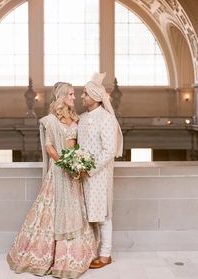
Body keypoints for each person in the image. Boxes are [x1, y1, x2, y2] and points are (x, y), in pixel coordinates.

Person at [7, 82, 97, 278]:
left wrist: (79, 163)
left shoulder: (76, 119)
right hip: (59, 171)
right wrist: (65, 163)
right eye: (72, 94)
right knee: (50, 210)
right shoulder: (50, 120)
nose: (75, 97)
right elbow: (49, 147)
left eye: (75, 94)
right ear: (63, 96)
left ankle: (71, 257)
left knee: (74, 209)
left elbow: (80, 145)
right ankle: (45, 256)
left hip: (74, 171)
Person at [78, 72, 123, 269]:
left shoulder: (106, 119)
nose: (82, 97)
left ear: (95, 97)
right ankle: (91, 252)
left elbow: (109, 151)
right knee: (88, 216)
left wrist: (90, 169)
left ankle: (105, 255)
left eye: (85, 94)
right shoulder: (81, 118)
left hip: (98, 175)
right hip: (81, 175)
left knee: (103, 216)